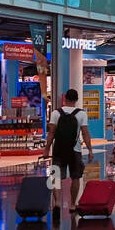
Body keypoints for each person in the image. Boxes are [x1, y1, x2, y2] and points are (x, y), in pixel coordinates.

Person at [45, 89, 93, 222]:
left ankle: (57, 203)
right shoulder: (81, 114)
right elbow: (85, 133)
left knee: (56, 177)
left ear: (65, 99)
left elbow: (51, 134)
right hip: (75, 150)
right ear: (76, 100)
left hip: (58, 149)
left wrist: (46, 150)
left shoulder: (56, 113)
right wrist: (89, 150)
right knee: (76, 177)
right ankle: (72, 204)